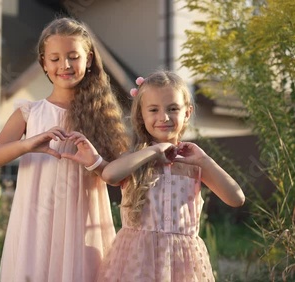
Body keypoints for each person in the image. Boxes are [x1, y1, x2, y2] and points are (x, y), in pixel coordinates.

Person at [0, 17, 128, 282]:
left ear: (88, 59)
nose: (65, 65)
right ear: (44, 63)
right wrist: (28, 144)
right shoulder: (28, 113)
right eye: (55, 58)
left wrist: (95, 162)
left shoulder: (101, 114)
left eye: (74, 56)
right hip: (36, 218)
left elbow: (118, 176)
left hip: (82, 221)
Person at [96, 71, 245, 282]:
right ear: (141, 115)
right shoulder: (135, 158)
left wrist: (204, 161)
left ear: (187, 113)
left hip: (182, 265)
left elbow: (236, 198)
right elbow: (109, 175)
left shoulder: (193, 162)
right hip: (137, 263)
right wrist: (154, 151)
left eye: (173, 109)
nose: (163, 117)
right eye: (153, 110)